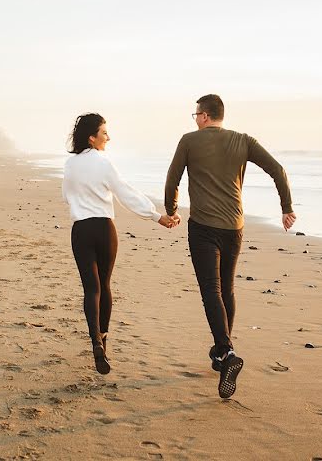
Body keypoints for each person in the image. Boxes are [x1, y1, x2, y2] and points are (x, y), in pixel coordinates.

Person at [164, 94, 296, 399]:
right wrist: (286, 207)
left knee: (210, 289)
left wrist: (172, 209)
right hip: (234, 226)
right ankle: (223, 352)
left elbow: (173, 178)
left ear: (206, 116)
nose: (195, 119)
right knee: (227, 289)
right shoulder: (244, 140)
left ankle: (225, 351)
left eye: (196, 114)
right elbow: (279, 170)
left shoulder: (189, 141)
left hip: (203, 228)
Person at [63, 113, 175, 374]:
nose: (108, 137)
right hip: (104, 228)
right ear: (92, 138)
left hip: (81, 229)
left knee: (91, 289)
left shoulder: (70, 165)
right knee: (105, 284)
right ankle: (104, 339)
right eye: (104, 133)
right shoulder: (103, 162)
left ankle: (94, 341)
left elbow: (66, 196)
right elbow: (125, 193)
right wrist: (157, 216)